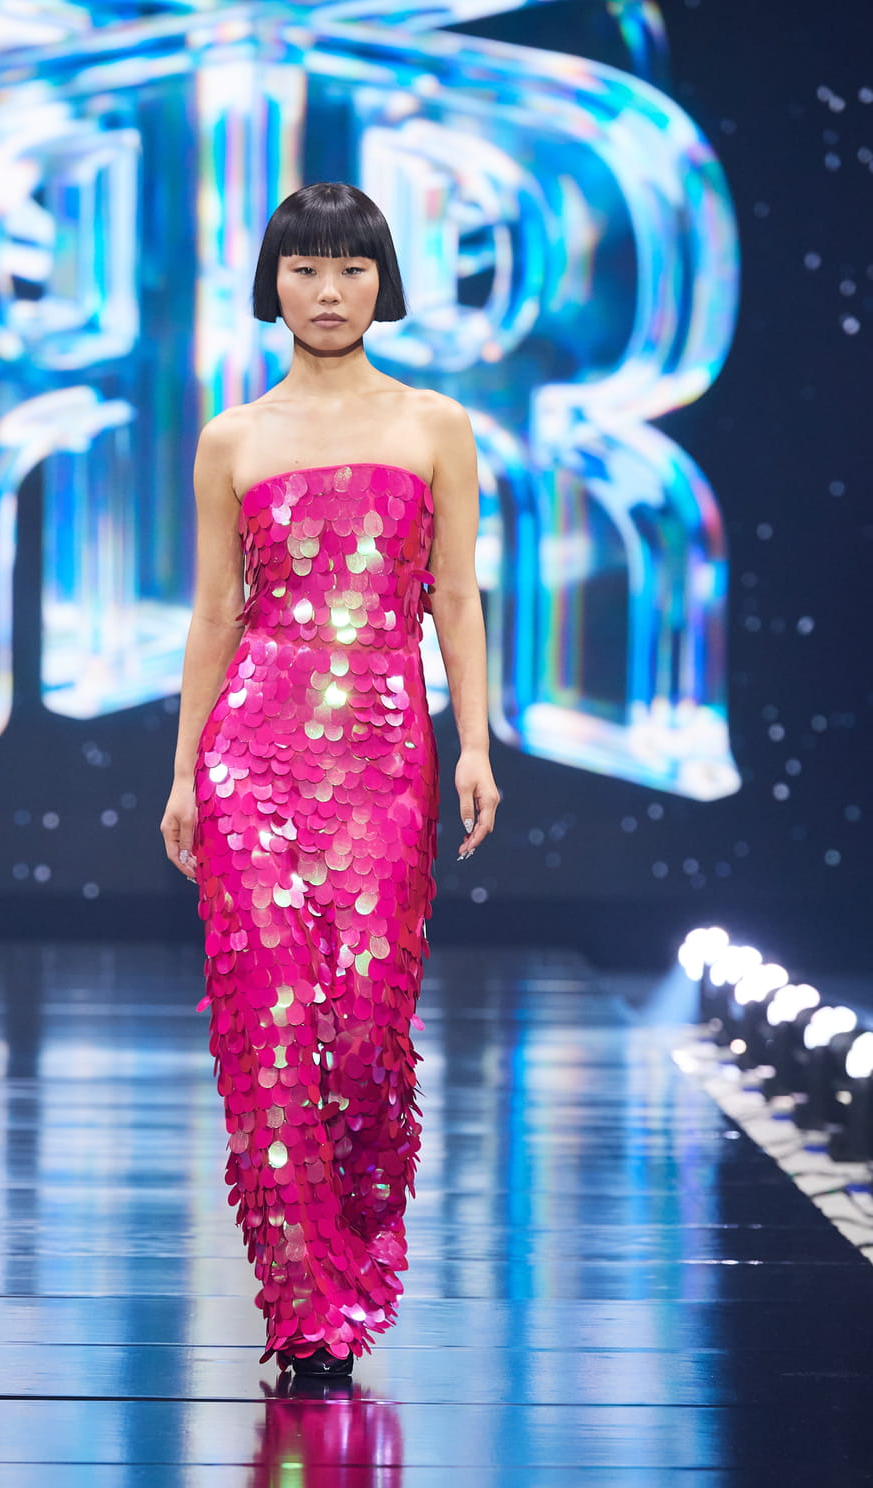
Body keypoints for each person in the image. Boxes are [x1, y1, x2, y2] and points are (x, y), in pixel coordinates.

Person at [160, 182, 499, 1378]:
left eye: (350, 268)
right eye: (303, 267)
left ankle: (354, 1263)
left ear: (381, 282)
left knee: (363, 1039)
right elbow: (216, 612)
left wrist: (475, 743)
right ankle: (303, 1308)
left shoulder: (434, 425)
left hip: (383, 761)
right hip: (250, 756)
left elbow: (454, 596)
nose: (327, 290)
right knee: (267, 1029)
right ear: (273, 284)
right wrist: (185, 773)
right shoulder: (232, 438)